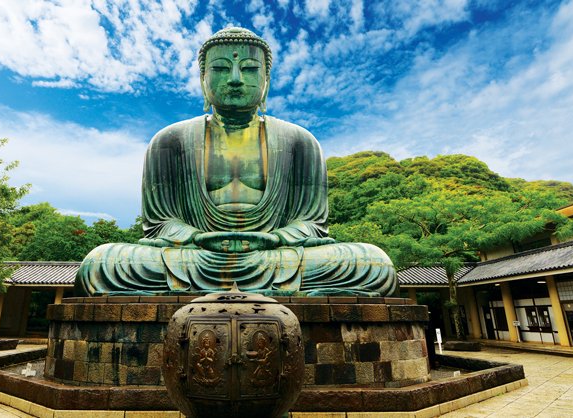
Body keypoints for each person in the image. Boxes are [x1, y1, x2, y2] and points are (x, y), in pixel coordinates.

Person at [75, 27, 397, 297]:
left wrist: (277, 239)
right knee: (101, 264)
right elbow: (159, 223)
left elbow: (312, 224)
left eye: (249, 69)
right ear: (203, 79)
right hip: (194, 257)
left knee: (372, 264)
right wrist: (195, 237)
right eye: (219, 69)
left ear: (266, 79)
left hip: (277, 256)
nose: (234, 79)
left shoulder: (300, 141)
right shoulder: (169, 141)